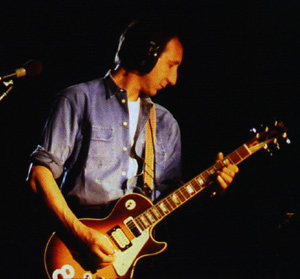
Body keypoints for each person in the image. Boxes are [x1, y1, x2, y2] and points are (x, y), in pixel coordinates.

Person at [27, 19, 238, 274]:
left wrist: (210, 188)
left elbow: (172, 203)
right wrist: (81, 235)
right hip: (76, 250)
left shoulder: (166, 123)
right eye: (171, 65)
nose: (173, 79)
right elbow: (39, 176)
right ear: (147, 55)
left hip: (136, 263)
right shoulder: (76, 100)